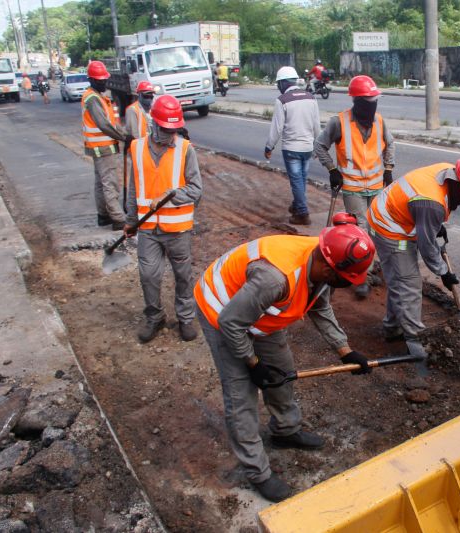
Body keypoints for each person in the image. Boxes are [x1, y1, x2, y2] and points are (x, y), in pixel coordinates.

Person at [193, 224, 376, 503]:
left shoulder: (323, 257)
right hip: (221, 311)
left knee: (282, 373)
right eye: (347, 279)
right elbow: (231, 323)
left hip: (259, 311)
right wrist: (253, 363)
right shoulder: (275, 279)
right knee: (241, 395)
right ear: (329, 269)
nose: (350, 284)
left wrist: (345, 350)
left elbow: (319, 305)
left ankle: (285, 431)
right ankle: (257, 472)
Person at [366, 154, 460, 346]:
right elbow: (427, 246)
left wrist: (433, 225)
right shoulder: (431, 203)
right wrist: (444, 272)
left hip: (396, 213)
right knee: (409, 285)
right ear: (458, 182)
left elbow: (424, 211)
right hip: (389, 227)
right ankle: (416, 341)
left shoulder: (448, 171)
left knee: (400, 280)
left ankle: (393, 328)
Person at [124, 95, 202, 343]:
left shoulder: (185, 149)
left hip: (178, 229)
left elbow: (196, 189)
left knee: (183, 276)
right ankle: (154, 317)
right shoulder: (137, 148)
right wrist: (130, 220)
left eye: (173, 129)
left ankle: (186, 318)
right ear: (154, 124)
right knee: (148, 276)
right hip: (147, 228)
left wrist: (171, 195)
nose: (170, 134)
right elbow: (133, 189)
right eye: (166, 129)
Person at [314, 74, 395, 299]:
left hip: (376, 185)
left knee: (376, 229)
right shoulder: (339, 122)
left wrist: (388, 168)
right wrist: (332, 169)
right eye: (368, 103)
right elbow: (319, 146)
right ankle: (362, 278)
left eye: (374, 102)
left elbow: (391, 143)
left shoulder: (379, 121)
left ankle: (369, 266)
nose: (372, 107)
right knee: (361, 231)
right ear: (356, 102)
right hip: (353, 187)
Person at [264, 66, 320, 225]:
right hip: (307, 147)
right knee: (301, 179)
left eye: (278, 84)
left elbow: (276, 128)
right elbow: (316, 125)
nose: (278, 87)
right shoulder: (311, 97)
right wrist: (318, 145)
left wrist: (269, 147)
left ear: (283, 83)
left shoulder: (282, 100)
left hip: (291, 149)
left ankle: (302, 213)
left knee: (296, 180)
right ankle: (296, 205)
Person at [82, 60, 130, 230]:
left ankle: (103, 215)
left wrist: (124, 135)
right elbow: (104, 125)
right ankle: (118, 218)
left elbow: (111, 122)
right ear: (91, 80)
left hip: (99, 147)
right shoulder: (93, 99)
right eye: (100, 81)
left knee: (101, 182)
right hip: (103, 148)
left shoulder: (98, 97)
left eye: (105, 80)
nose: (104, 83)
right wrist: (124, 137)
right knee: (110, 183)